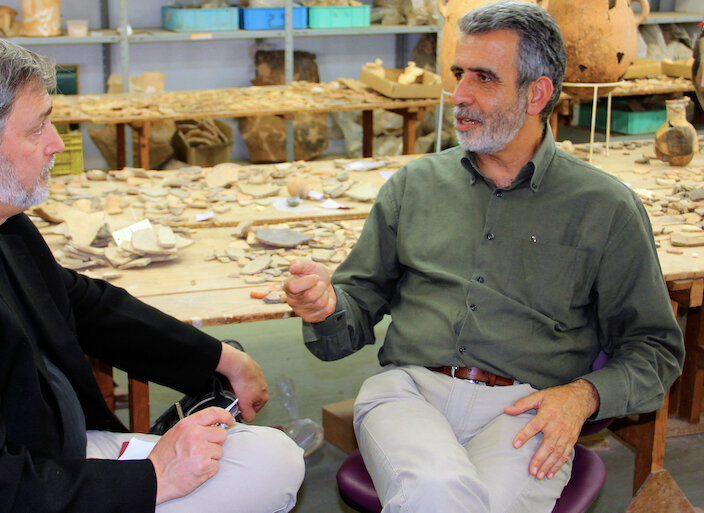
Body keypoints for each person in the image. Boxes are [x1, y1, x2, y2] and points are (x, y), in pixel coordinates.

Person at [0, 31, 304, 513]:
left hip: (41, 455)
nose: (55, 144)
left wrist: (220, 358)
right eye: (36, 129)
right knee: (270, 468)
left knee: (267, 458)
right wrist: (155, 477)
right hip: (9, 489)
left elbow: (85, 306)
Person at [283, 2, 684, 512]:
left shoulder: (605, 208)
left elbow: (655, 348)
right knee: (434, 492)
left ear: (537, 93)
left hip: (529, 409)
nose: (461, 95)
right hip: (408, 395)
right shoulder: (414, 186)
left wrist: (584, 395)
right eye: (459, 74)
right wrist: (326, 307)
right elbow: (356, 305)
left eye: (485, 78)